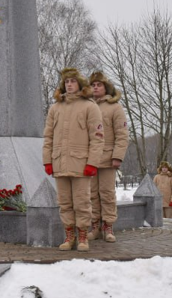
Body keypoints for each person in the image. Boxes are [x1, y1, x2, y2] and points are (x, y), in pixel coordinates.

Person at [43, 67, 105, 252]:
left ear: (79, 84)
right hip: (59, 162)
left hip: (81, 164)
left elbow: (98, 137)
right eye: (66, 82)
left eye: (73, 81)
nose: (69, 85)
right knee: (64, 203)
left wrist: (92, 163)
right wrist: (47, 160)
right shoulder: (55, 108)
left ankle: (83, 237)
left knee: (82, 202)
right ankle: (69, 236)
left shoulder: (90, 106)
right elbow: (48, 136)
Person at [87, 71, 129, 243]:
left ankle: (108, 227)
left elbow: (122, 134)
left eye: (99, 85)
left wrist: (117, 156)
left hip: (107, 158)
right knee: (91, 195)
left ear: (106, 88)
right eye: (93, 85)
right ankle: (95, 226)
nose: (96, 88)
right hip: (89, 159)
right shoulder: (86, 106)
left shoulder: (115, 107)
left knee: (107, 194)